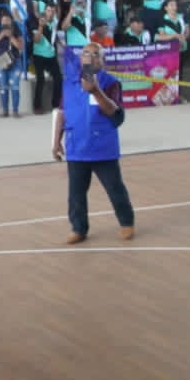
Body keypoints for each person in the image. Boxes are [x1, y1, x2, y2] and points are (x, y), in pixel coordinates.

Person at [52, 43, 135, 245]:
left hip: (102, 147)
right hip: (76, 147)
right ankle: (78, 228)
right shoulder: (70, 83)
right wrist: (56, 141)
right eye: (86, 53)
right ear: (81, 59)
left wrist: (96, 91)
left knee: (115, 188)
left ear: (102, 60)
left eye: (95, 54)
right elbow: (62, 112)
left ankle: (126, 222)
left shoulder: (110, 83)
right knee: (76, 193)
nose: (90, 57)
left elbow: (114, 113)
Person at [0, 11, 24, 118]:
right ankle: (5, 110)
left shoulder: (17, 32)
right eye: (3, 20)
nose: (5, 23)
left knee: (15, 87)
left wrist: (11, 37)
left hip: (15, 61)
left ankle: (15, 110)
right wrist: (0, 37)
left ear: (11, 21)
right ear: (0, 22)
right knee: (3, 87)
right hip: (2, 61)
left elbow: (20, 46)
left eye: (7, 20)